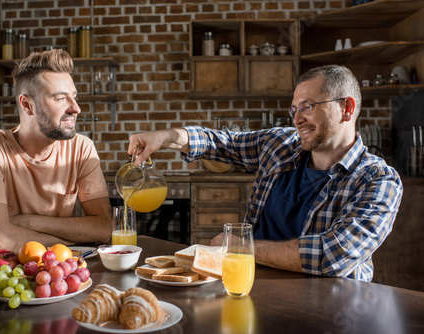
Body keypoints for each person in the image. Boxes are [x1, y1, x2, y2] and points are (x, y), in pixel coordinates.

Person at [128, 65, 403, 281]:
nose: (296, 118)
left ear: (347, 108)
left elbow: (331, 256)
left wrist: (241, 247)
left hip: (331, 307)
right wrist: (166, 137)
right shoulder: (280, 145)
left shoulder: (377, 180)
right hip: (249, 285)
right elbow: (220, 142)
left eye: (307, 106)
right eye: (294, 109)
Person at [0, 49, 112, 257]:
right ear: (27, 105)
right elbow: (0, 241)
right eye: (60, 98)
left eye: (74, 96)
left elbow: (104, 228)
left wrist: (26, 222)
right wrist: (70, 243)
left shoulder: (82, 148)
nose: (76, 108)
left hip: (54, 276)